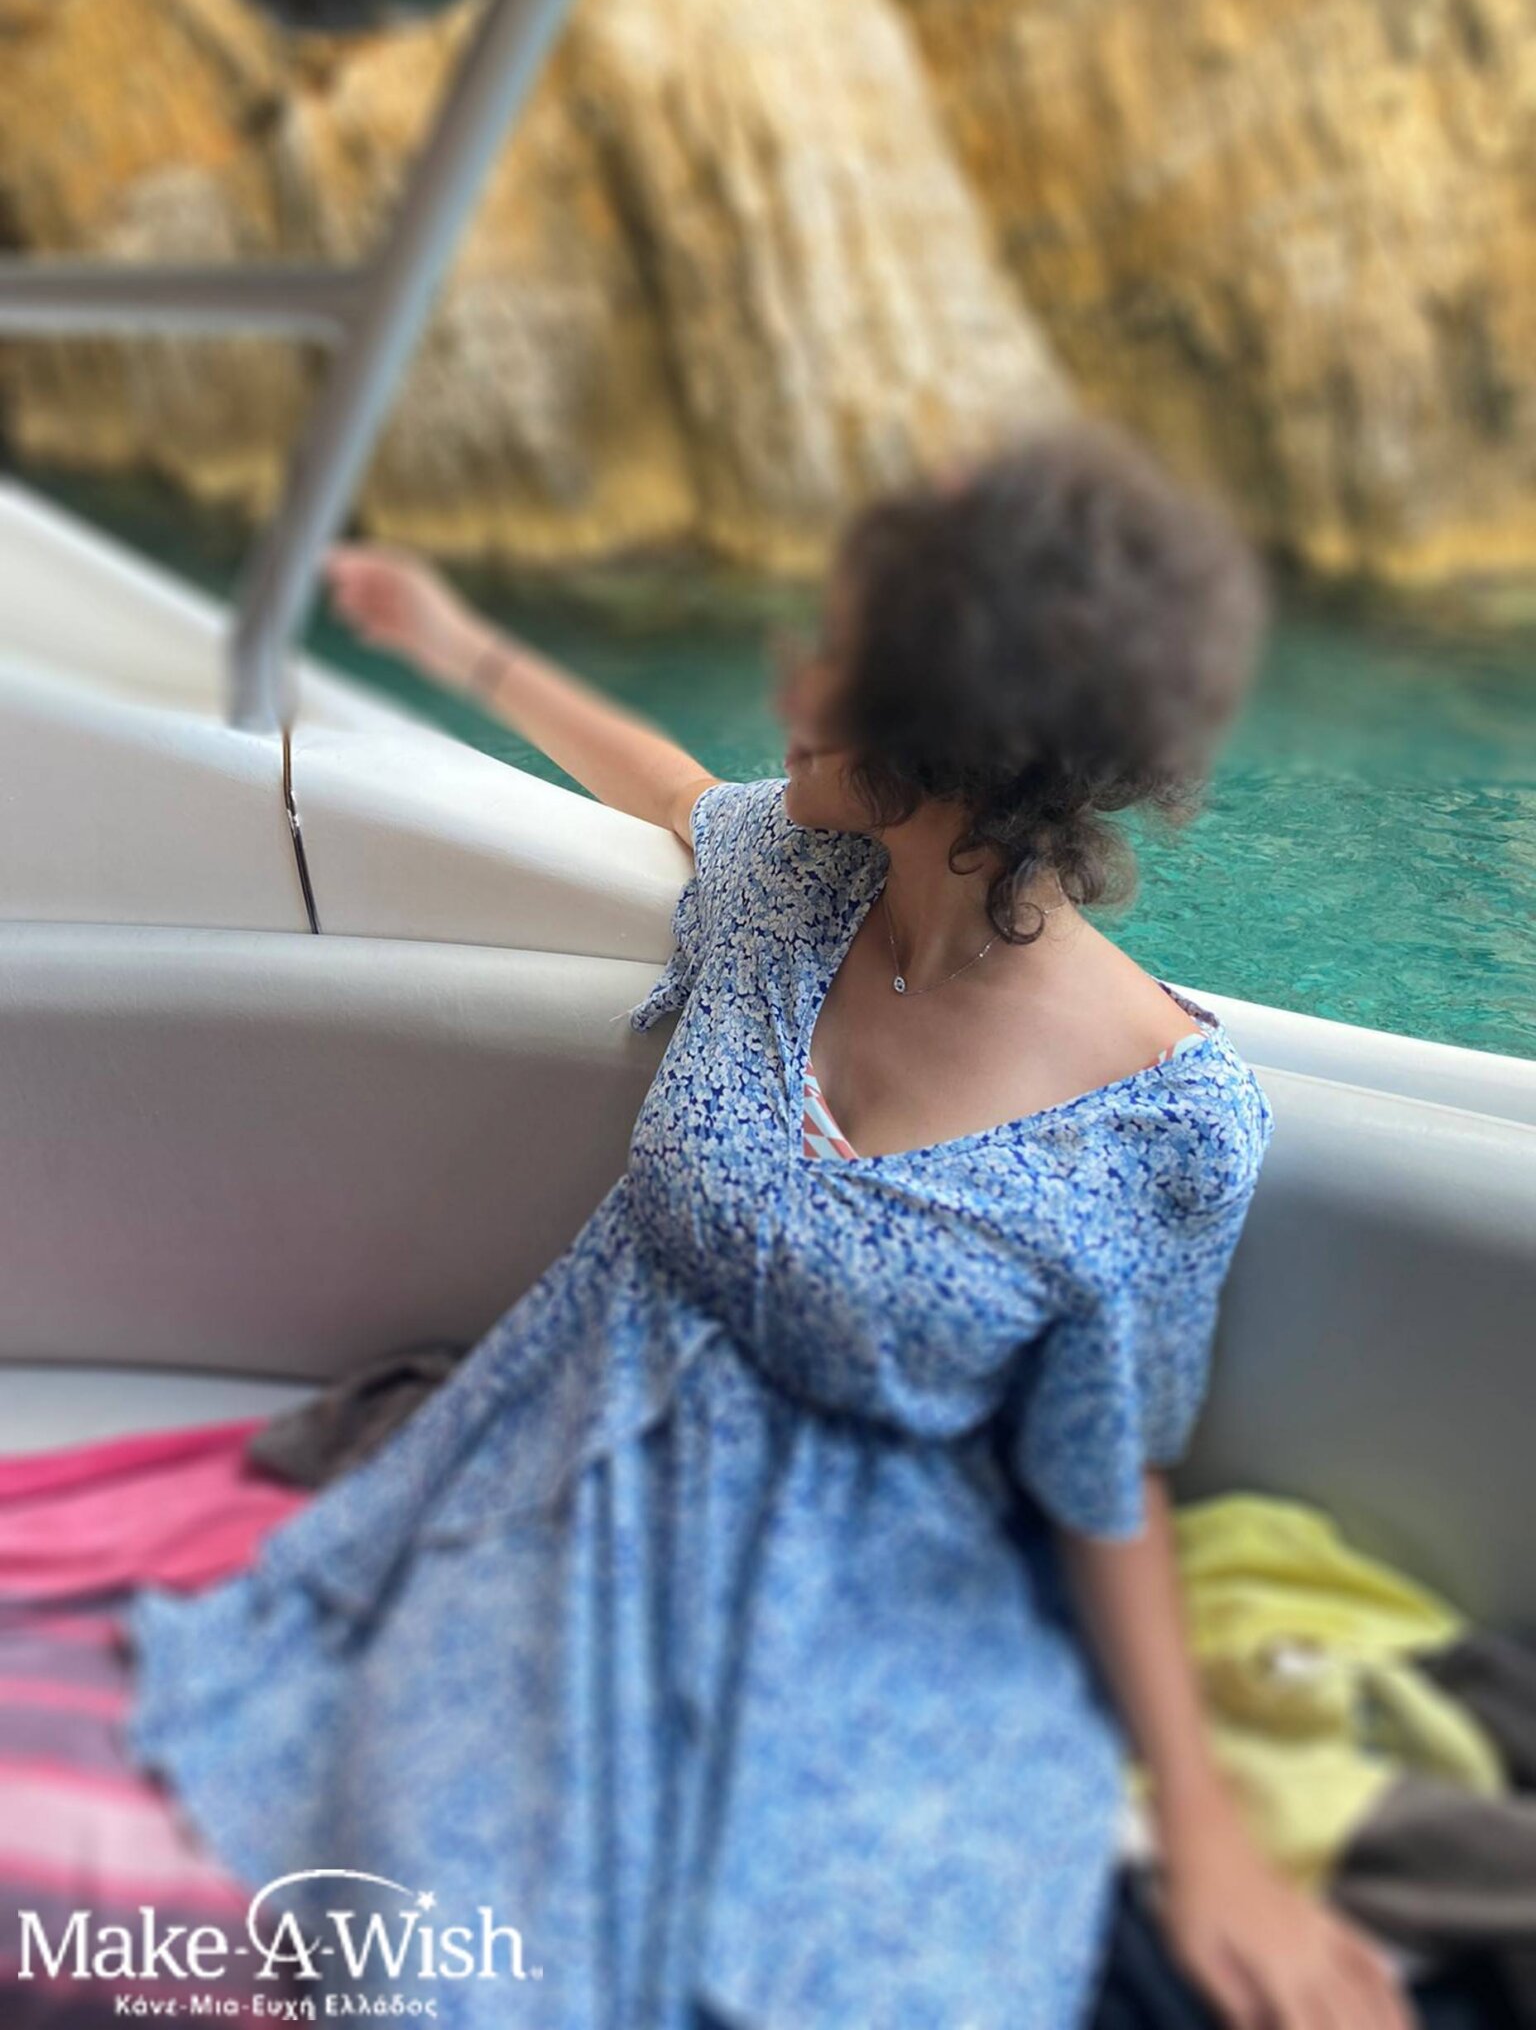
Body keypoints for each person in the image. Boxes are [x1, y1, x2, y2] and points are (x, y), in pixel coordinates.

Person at [119, 416, 1411, 2030]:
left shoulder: (1168, 1128)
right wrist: (451, 640)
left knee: (869, 1977)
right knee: (450, 1953)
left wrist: (1206, 1829)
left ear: (958, 728)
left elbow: (1104, 1475)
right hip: (577, 1489)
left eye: (837, 664)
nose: (789, 686)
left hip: (875, 1592)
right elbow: (660, 778)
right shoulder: (784, 879)